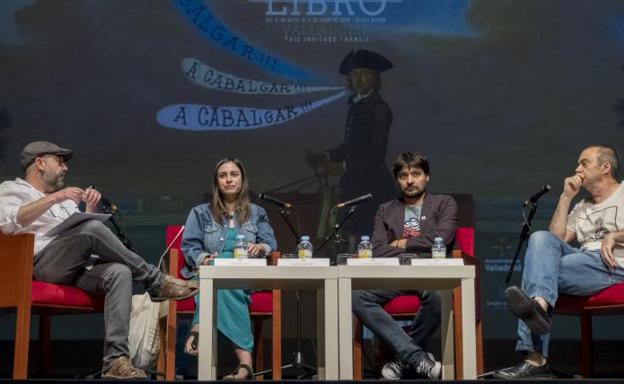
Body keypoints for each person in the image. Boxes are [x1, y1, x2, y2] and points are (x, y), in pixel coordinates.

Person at [0, 141, 198, 379]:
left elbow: (80, 232)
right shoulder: (12, 190)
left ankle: (115, 360)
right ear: (40, 163)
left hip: (75, 266)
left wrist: (90, 208)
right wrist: (55, 198)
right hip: (40, 264)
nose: (65, 168)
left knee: (119, 272)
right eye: (60, 162)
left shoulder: (65, 201)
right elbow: (9, 221)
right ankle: (155, 280)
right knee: (91, 229)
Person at [494, 145, 624, 379]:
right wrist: (566, 197)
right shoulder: (582, 206)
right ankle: (540, 307)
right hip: (581, 263)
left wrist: (615, 235)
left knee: (537, 271)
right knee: (539, 238)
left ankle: (535, 360)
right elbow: (556, 240)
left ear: (605, 167)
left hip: (612, 264)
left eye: (584, 163)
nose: (577, 168)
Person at [352, 151, 458, 380]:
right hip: (395, 276)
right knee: (356, 296)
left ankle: (403, 360)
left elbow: (441, 239)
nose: (409, 180)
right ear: (397, 179)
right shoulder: (385, 209)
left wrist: (400, 243)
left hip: (430, 275)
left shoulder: (444, 203)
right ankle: (417, 358)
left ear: (427, 176)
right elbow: (377, 247)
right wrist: (418, 249)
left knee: (439, 295)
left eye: (416, 174)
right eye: (403, 175)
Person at [181, 157, 277, 380]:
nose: (228, 179)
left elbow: (270, 243)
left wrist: (260, 247)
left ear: (242, 180)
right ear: (217, 182)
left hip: (247, 275)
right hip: (212, 274)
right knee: (219, 277)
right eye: (223, 175)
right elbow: (189, 246)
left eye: (233, 174)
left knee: (221, 280)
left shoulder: (257, 212)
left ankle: (197, 329)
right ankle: (245, 363)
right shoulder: (200, 213)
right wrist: (204, 258)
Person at [307, 49, 396, 245]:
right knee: (350, 237)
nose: (358, 79)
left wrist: (344, 167)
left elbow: (376, 155)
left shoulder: (379, 109)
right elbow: (351, 145)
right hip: (353, 185)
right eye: (354, 75)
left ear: (375, 78)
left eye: (364, 74)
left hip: (372, 187)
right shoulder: (356, 106)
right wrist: (326, 156)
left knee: (367, 237)